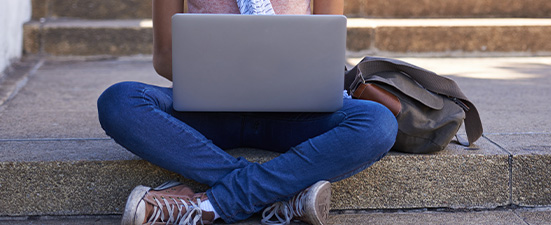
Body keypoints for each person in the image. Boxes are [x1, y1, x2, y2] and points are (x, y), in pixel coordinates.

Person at [96, 0, 398, 224]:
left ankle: (210, 205)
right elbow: (164, 58)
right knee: (119, 101)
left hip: (291, 111)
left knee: (378, 123)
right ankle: (280, 195)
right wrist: (219, 73)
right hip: (208, 109)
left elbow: (328, 55)